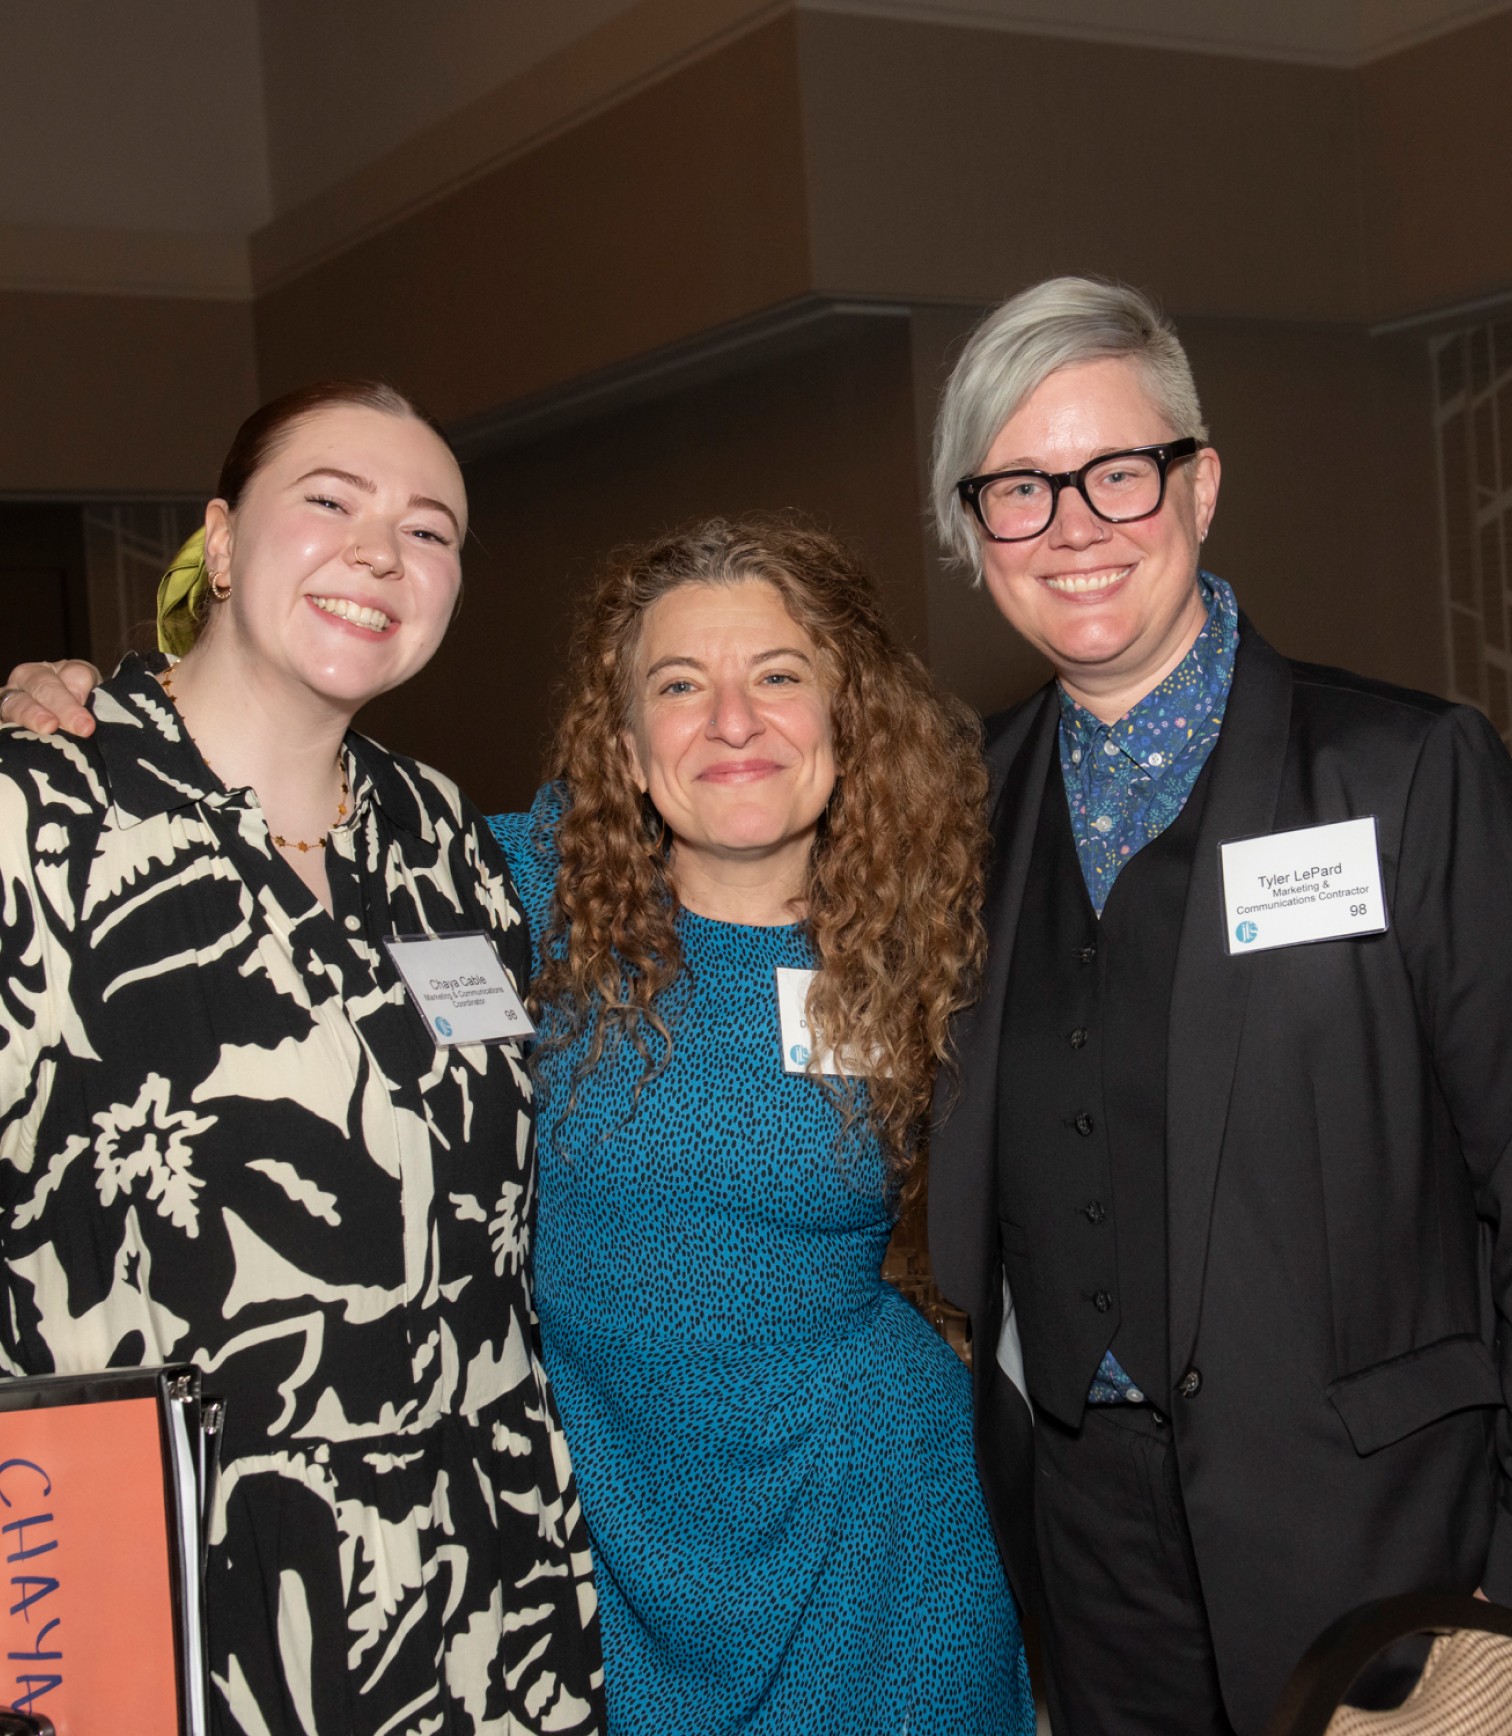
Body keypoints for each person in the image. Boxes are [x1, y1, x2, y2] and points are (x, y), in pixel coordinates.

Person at [3, 517, 1036, 1735]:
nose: (734, 721)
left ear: (849, 714)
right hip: (598, 1542)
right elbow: (267, 799)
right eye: (679, 684)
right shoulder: (498, 886)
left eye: (779, 675)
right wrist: (112, 699)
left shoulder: (942, 921)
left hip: (878, 1537)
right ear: (626, 738)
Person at [925, 275, 1512, 1734]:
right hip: (1086, 1530)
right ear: (974, 533)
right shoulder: (949, 812)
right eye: (1019, 489)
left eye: (1118, 473)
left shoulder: (1404, 773)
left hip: (1383, 1528)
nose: (1072, 526)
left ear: (1201, 489)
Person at [0, 382, 603, 1736]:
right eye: (329, 501)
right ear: (216, 541)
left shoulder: (443, 835)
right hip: (173, 1604)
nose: (382, 551)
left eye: (430, 528)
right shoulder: (32, 814)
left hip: (480, 1586)